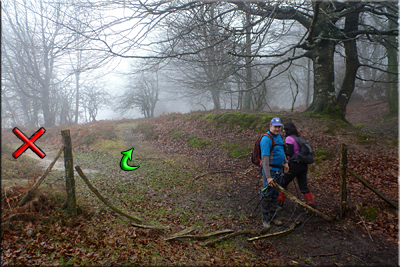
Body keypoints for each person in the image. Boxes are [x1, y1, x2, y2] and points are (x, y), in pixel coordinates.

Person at [260, 117, 289, 228]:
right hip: (270, 171)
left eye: (279, 127)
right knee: (267, 194)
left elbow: (282, 150)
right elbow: (265, 160)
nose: (277, 129)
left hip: (278, 170)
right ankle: (266, 219)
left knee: (275, 194)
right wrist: (268, 177)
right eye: (275, 126)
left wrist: (285, 162)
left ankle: (273, 217)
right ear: (270, 126)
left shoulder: (280, 136)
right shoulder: (266, 139)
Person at [278, 121, 315, 206]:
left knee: (283, 182)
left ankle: (280, 202)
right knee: (303, 186)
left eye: (284, 129)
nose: (283, 130)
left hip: (294, 165)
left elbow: (289, 153)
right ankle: (311, 205)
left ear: (287, 129)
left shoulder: (289, 138)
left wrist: (282, 149)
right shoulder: (298, 137)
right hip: (303, 165)